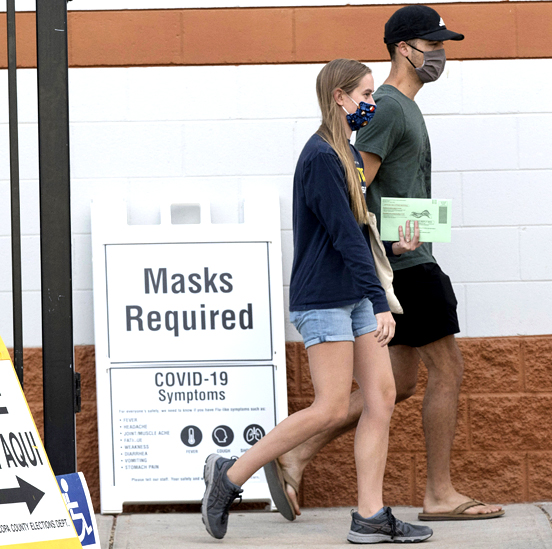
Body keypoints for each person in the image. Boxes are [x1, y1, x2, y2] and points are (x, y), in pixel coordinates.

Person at [265, 6, 505, 522]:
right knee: (447, 371)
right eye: (431, 44)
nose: (439, 54)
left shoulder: (400, 107)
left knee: (394, 386)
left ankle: (295, 452)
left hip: (409, 257)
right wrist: (390, 247)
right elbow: (356, 187)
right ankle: (438, 494)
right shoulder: (390, 108)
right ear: (403, 49)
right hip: (407, 266)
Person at [200, 58, 433, 544]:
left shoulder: (347, 153)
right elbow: (344, 236)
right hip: (326, 298)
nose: (371, 103)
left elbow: (356, 236)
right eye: (365, 95)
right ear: (339, 98)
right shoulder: (322, 156)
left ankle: (370, 514)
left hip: (354, 296)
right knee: (329, 408)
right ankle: (228, 475)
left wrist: (393, 248)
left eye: (371, 95)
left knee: (382, 397)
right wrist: (382, 301)